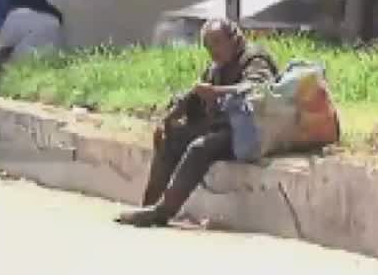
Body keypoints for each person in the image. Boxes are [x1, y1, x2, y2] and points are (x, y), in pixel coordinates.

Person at [116, 19, 278, 227]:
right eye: (208, 47)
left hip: (250, 132)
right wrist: (169, 118)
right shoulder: (217, 66)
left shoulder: (255, 59)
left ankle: (163, 211)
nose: (213, 51)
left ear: (235, 39)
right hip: (224, 128)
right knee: (172, 137)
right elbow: (197, 94)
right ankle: (149, 205)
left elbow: (259, 88)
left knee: (200, 147)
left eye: (217, 43)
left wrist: (217, 92)